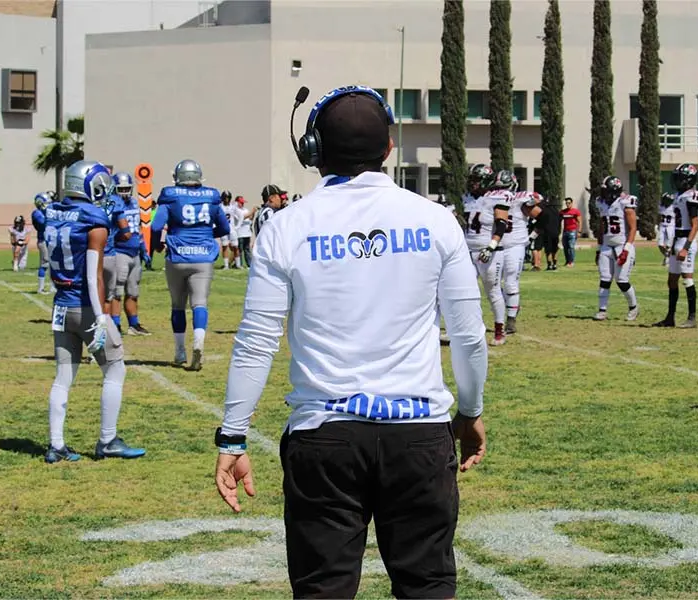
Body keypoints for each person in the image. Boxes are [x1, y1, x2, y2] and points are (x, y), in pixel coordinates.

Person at [213, 84, 488, 599]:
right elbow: (468, 335)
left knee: (323, 591)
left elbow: (255, 342)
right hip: (418, 432)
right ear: (389, 148)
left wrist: (233, 435)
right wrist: (470, 410)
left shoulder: (285, 226)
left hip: (325, 435)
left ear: (313, 151)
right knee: (427, 587)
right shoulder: (435, 220)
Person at [43, 160, 145, 463]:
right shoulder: (93, 217)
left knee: (63, 376)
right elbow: (93, 275)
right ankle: (107, 439)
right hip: (85, 306)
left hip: (61, 305)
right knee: (115, 368)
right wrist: (101, 317)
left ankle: (56, 445)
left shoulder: (53, 213)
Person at [151, 159, 229, 371]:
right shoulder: (211, 196)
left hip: (178, 255)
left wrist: (155, 246)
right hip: (203, 256)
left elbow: (156, 225)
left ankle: (179, 351)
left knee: (178, 305)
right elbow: (224, 227)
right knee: (200, 303)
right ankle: (199, 342)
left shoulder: (171, 195)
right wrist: (204, 234)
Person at [653, 163, 698, 329]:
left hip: (685, 240)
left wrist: (685, 247)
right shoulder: (678, 196)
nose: (677, 181)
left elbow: (695, 225)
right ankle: (670, 317)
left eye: (680, 178)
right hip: (677, 239)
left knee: (687, 278)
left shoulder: (692, 196)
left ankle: (692, 317)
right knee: (672, 280)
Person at [469, 170, 512, 346]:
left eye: (477, 180)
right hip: (467, 250)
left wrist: (490, 246)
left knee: (492, 291)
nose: (473, 184)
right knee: (465, 290)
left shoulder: (497, 198)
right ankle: (469, 328)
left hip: (488, 251)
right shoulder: (469, 198)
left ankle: (500, 330)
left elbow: (501, 225)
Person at [593, 176, 639, 322]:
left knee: (621, 280)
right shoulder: (601, 203)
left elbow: (633, 228)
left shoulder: (624, 203)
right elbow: (601, 227)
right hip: (606, 246)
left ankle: (634, 307)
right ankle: (602, 310)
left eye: (606, 189)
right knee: (604, 278)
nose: (603, 192)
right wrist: (599, 247)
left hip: (622, 245)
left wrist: (626, 249)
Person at [110, 172, 151, 335]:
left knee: (133, 291)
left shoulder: (134, 203)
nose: (125, 191)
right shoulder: (112, 205)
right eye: (121, 188)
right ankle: (115, 324)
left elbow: (138, 228)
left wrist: (144, 249)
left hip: (134, 253)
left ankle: (133, 325)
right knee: (117, 291)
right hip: (119, 251)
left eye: (127, 188)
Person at [500, 181, 528, 335]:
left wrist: (533, 234)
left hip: (514, 245)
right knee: (493, 284)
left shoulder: (520, 201)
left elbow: (539, 212)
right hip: (497, 245)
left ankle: (511, 320)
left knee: (510, 282)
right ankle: (513, 305)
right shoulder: (491, 200)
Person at [525, 195, 561, 271]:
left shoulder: (543, 211)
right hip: (555, 232)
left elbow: (538, 222)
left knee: (545, 249)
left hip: (545, 231)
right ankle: (554, 264)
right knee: (554, 248)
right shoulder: (557, 212)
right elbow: (559, 222)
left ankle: (546, 264)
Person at [33, 193, 53, 293]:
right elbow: (43, 223)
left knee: (53, 265)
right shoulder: (37, 213)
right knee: (45, 264)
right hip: (43, 241)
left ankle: (53, 287)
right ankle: (40, 288)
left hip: (51, 241)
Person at [559, 196, 581, 267]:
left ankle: (571, 262)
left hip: (572, 231)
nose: (568, 204)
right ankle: (567, 261)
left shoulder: (575, 211)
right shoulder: (563, 212)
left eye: (569, 203)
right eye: (566, 203)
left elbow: (580, 221)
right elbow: (558, 220)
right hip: (565, 231)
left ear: (572, 203)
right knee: (565, 247)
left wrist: (579, 231)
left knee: (571, 246)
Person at [658, 192, 676, 266]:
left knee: (669, 245)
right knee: (660, 245)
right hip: (662, 226)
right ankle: (668, 256)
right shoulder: (661, 207)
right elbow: (659, 217)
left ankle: (667, 259)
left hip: (670, 227)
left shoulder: (673, 208)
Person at [235, 196, 252, 268]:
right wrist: (252, 212)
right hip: (240, 233)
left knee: (247, 249)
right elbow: (241, 218)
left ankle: (249, 264)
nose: (242, 204)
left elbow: (250, 219)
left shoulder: (245, 210)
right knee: (240, 250)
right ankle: (240, 264)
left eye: (243, 203)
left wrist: (252, 215)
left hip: (247, 233)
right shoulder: (235, 210)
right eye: (241, 203)